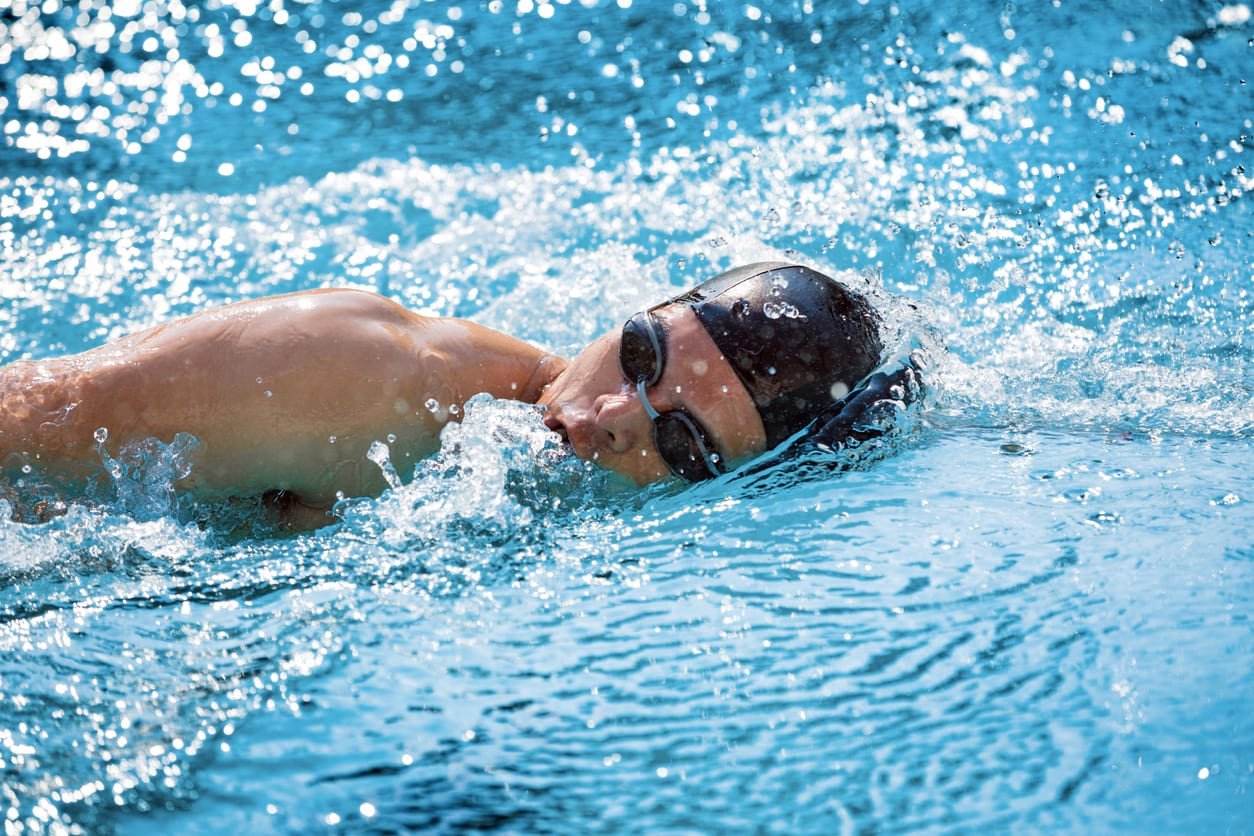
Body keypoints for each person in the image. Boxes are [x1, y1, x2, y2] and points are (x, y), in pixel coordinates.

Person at [0, 262, 885, 528]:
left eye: (683, 445)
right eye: (638, 354)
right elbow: (30, 420)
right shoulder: (354, 378)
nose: (615, 417)